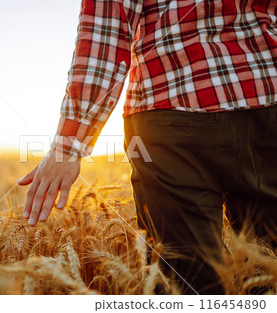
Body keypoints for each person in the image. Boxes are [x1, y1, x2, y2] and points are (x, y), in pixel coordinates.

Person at [18, 0, 276, 294]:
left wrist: (68, 145)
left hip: (171, 109)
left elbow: (105, 40)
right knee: (270, 269)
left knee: (186, 283)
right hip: (267, 99)